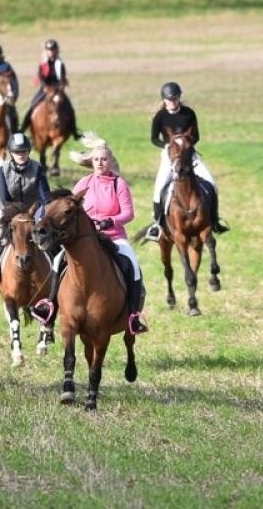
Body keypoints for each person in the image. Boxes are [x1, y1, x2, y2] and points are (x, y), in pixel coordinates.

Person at [32, 142, 149, 334]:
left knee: (132, 264)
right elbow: (70, 208)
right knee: (57, 260)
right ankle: (49, 306)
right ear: (91, 162)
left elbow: (128, 213)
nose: (100, 163)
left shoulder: (119, 184)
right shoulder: (83, 183)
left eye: (104, 159)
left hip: (114, 236)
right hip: (85, 238)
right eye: (96, 159)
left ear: (110, 161)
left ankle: (133, 315)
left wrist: (109, 222)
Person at [0, 133, 53, 301]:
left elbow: (45, 196)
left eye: (24, 151)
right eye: (17, 152)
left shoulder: (37, 168)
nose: (21, 154)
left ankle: (58, 279)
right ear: (11, 152)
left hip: (34, 211)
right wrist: (14, 216)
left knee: (50, 240)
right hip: (9, 211)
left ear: (29, 151)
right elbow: (3, 199)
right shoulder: (3, 169)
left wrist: (38, 213)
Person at [145, 81, 227, 241]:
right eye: (170, 99)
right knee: (159, 188)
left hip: (189, 156)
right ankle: (157, 224)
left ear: (179, 97)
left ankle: (214, 220)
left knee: (212, 184)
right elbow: (154, 138)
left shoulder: (189, 113)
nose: (173, 102)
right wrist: (168, 145)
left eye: (175, 98)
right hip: (169, 157)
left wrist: (186, 146)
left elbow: (196, 135)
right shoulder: (160, 116)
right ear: (164, 99)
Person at [19, 38, 68, 132]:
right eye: (49, 50)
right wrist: (45, 87)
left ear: (57, 50)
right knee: (33, 103)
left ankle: (73, 130)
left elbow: (62, 77)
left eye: (53, 50)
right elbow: (40, 76)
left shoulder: (60, 63)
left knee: (68, 107)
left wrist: (61, 87)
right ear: (46, 51)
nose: (51, 52)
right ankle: (23, 128)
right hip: (46, 89)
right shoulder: (43, 63)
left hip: (57, 89)